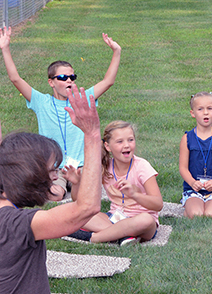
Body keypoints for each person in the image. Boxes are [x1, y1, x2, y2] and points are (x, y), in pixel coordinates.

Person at [0, 84, 102, 293]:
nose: (56, 175)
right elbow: (86, 207)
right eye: (51, 169)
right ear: (28, 173)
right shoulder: (15, 225)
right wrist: (91, 134)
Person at [0, 26, 121, 200]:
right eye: (63, 78)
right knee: (55, 195)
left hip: (82, 167)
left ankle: (78, 185)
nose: (69, 81)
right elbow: (15, 78)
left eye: (72, 77)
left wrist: (116, 51)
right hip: (56, 170)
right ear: (51, 82)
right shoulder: (41, 102)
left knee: (85, 197)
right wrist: (5, 48)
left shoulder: (83, 98)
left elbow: (108, 81)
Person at [63, 121, 163, 246]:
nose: (126, 145)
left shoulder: (142, 166)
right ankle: (123, 236)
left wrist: (134, 194)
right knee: (77, 213)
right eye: (120, 142)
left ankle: (93, 237)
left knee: (146, 220)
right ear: (107, 146)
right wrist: (77, 183)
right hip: (113, 218)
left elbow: (158, 204)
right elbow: (79, 201)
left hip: (140, 222)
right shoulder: (105, 167)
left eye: (130, 140)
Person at [179, 92, 212, 219]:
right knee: (196, 214)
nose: (205, 112)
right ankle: (189, 207)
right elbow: (183, 168)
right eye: (200, 109)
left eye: (209, 108)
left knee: (210, 215)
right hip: (194, 189)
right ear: (193, 113)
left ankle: (208, 203)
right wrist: (192, 182)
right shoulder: (187, 138)